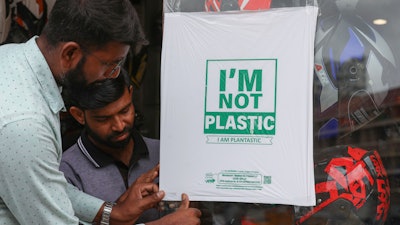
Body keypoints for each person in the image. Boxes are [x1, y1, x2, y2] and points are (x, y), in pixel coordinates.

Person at [0, 0, 201, 224]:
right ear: (70, 54)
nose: (112, 76)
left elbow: (48, 188)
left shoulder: (11, 58)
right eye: (110, 65)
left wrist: (112, 213)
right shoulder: (24, 125)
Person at [60, 70, 200, 224]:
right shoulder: (65, 172)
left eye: (124, 111)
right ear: (79, 115)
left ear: (131, 94)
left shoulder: (165, 154)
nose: (119, 126)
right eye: (103, 119)